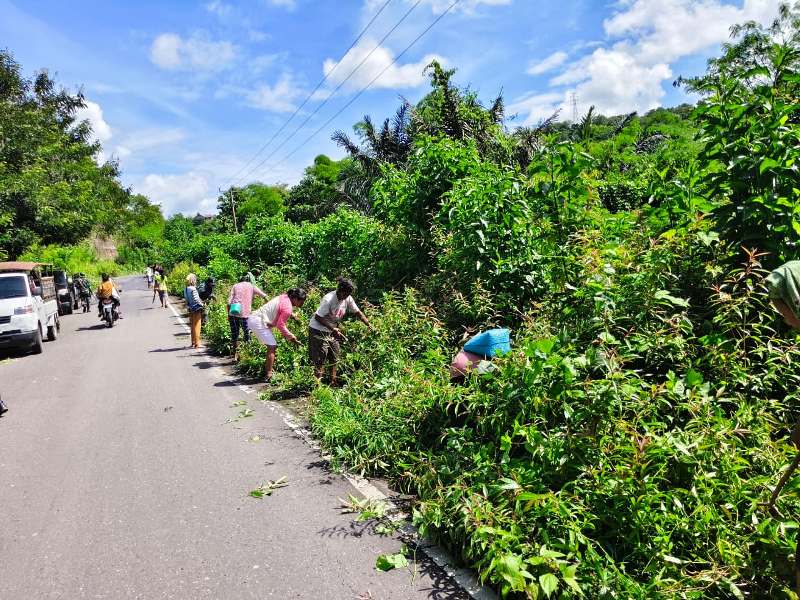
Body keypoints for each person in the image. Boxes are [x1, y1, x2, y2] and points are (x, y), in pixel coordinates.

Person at [308, 277, 372, 385]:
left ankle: (333, 381)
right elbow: (318, 317)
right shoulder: (329, 299)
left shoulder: (348, 298)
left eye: (348, 294)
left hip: (332, 330)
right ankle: (317, 386)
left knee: (335, 356)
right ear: (340, 290)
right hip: (318, 330)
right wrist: (333, 328)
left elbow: (358, 313)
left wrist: (369, 325)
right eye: (345, 293)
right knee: (320, 359)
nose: (346, 296)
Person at [248, 288, 307, 382]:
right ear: (295, 299)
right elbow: (280, 326)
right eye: (302, 302)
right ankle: (269, 374)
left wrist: (293, 316)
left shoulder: (284, 297)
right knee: (272, 346)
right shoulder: (288, 308)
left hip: (255, 318)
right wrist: (291, 337)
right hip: (258, 321)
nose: (302, 304)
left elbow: (282, 308)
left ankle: (268, 371)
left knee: (271, 345)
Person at [227, 275, 268, 360]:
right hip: (245, 315)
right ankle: (247, 355)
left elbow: (228, 302)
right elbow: (264, 296)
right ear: (248, 281)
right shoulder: (251, 286)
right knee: (247, 334)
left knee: (235, 334)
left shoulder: (235, 286)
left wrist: (229, 314)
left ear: (240, 280)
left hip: (234, 312)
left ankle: (235, 355)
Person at [184, 273, 204, 349]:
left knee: (192, 326)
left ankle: (193, 342)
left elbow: (186, 300)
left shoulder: (186, 288)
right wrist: (202, 304)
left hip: (190, 308)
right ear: (193, 280)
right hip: (196, 308)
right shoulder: (193, 289)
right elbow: (196, 299)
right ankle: (197, 343)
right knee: (197, 326)